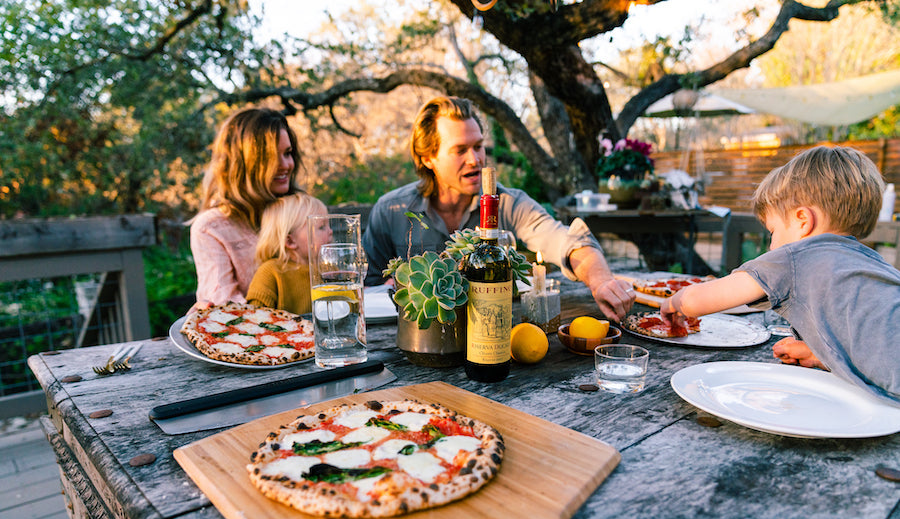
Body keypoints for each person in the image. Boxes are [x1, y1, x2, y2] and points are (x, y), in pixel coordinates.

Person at [361, 96, 635, 322]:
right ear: (428, 158)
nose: (475, 159)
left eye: (479, 146)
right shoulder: (391, 211)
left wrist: (601, 281)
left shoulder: (506, 203)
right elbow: (369, 289)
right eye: (460, 150)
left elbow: (565, 240)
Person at [660, 145, 900, 401]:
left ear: (802, 221)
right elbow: (877, 339)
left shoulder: (796, 257)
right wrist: (820, 354)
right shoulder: (874, 263)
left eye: (772, 232)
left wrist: (675, 301)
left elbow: (698, 302)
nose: (772, 245)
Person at [189, 107, 306, 309]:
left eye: (288, 153)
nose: (286, 165)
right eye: (271, 157)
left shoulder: (299, 210)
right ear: (244, 163)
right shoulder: (210, 228)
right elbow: (225, 310)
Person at [245, 193, 330, 315]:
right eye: (322, 227)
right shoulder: (270, 273)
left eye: (329, 225)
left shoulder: (328, 269)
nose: (331, 231)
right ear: (290, 241)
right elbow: (254, 321)